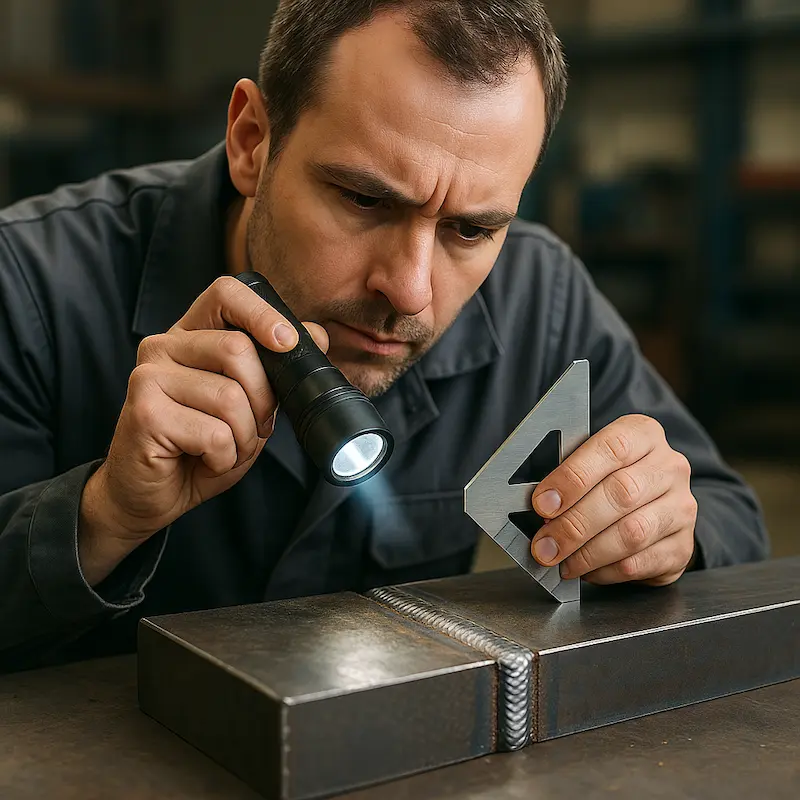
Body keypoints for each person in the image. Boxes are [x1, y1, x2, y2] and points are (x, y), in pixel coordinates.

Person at [0, 0, 767, 673]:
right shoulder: (31, 287)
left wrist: (663, 530)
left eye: (471, 228)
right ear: (252, 140)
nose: (409, 289)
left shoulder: (540, 297)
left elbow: (732, 523)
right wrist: (105, 517)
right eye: (366, 200)